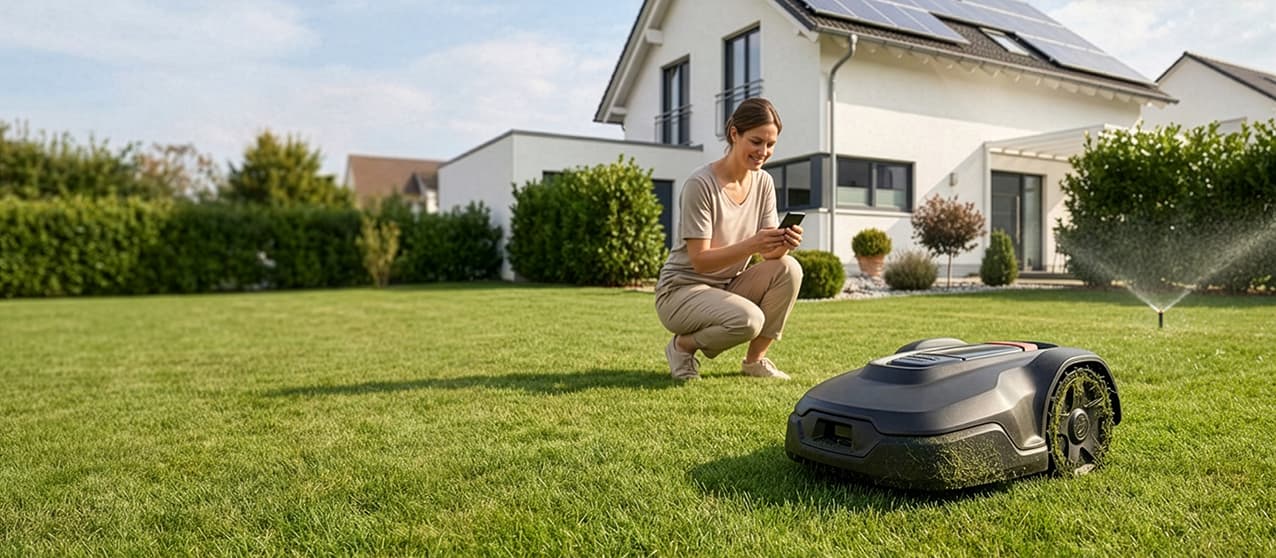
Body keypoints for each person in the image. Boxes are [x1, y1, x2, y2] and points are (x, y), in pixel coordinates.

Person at [654, 97, 803, 381]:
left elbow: (769, 255)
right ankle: (681, 347)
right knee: (749, 320)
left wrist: (783, 243)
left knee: (789, 269)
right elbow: (699, 261)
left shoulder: (764, 183)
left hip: (728, 287)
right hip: (682, 291)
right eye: (756, 142)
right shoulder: (701, 185)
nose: (764, 152)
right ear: (735, 133)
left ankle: (754, 362)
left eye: (770, 145)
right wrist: (753, 244)